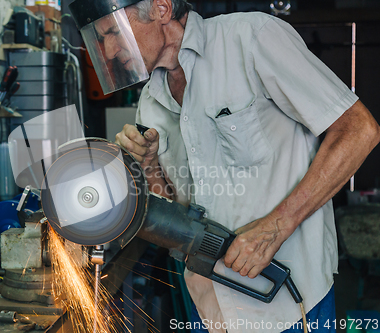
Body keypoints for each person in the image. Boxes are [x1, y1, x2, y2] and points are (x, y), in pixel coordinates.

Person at [69, 0, 380, 332]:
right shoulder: (151, 100)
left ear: (161, 8)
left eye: (114, 32)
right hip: (207, 305)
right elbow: (178, 207)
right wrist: (148, 165)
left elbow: (359, 130)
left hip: (288, 304)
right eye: (101, 39)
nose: (111, 50)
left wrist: (276, 227)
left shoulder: (251, 39)